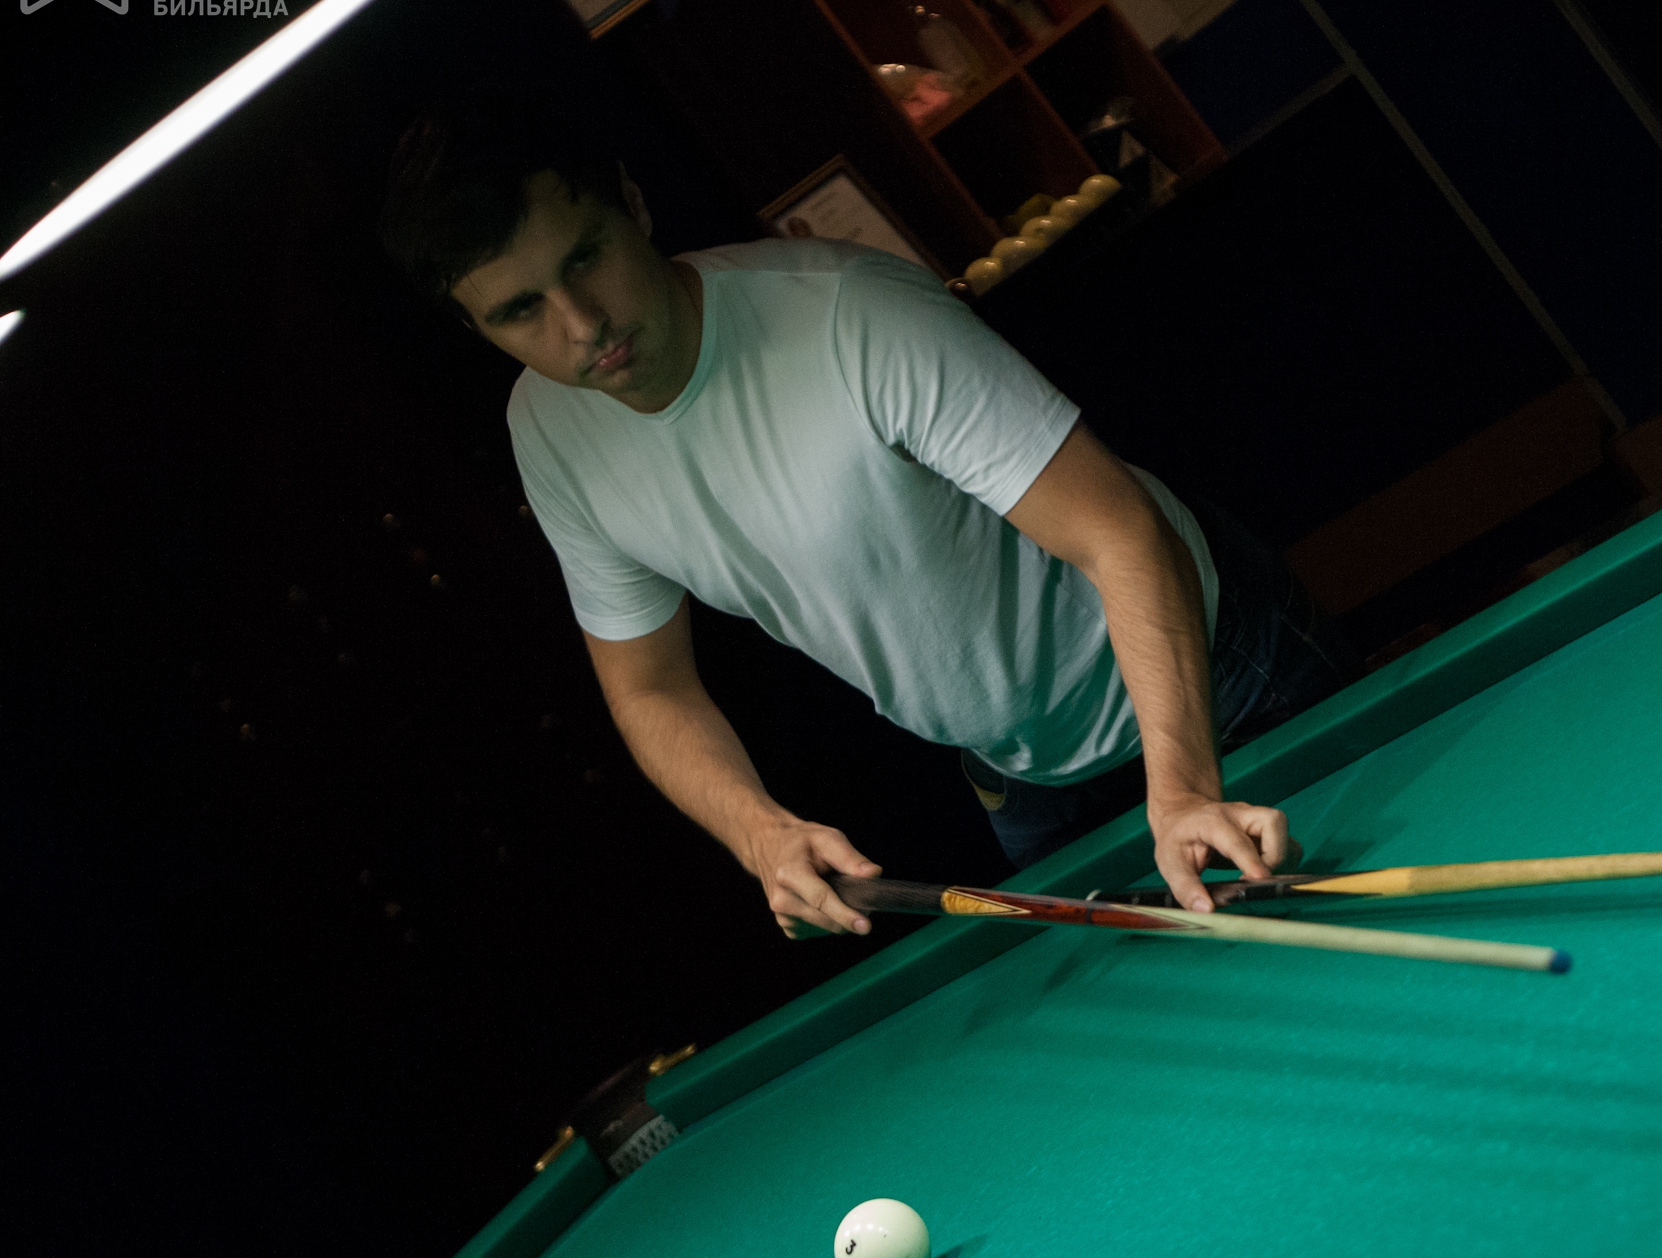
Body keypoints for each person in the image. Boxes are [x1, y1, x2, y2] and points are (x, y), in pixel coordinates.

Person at [378, 87, 1356, 938]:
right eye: (520, 309)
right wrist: (759, 831)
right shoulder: (551, 434)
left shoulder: (851, 316)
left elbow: (1120, 532)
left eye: (586, 256)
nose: (581, 322)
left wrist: (1181, 790)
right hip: (1018, 770)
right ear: (476, 328)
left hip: (1216, 672)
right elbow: (649, 688)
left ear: (632, 204)